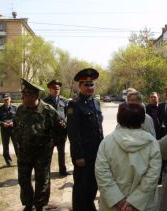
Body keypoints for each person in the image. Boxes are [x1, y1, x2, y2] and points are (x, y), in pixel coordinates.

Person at [95, 102, 161, 211]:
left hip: (113, 205)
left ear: (119, 119)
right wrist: (134, 202)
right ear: (142, 120)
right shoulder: (152, 142)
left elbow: (102, 174)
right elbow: (152, 176)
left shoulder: (107, 142)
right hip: (143, 205)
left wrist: (119, 201)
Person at [13, 78, 65, 211]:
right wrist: (18, 149)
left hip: (42, 154)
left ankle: (40, 205)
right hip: (24, 153)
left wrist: (51, 144)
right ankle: (28, 204)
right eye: (23, 95)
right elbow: (16, 129)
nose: (23, 97)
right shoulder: (20, 110)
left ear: (35, 95)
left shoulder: (48, 110)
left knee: (42, 182)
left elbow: (62, 129)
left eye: (26, 95)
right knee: (23, 180)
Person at [67, 68, 104, 211]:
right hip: (83, 154)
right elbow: (73, 133)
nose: (90, 87)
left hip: (97, 153)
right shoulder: (74, 105)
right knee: (81, 186)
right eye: (86, 85)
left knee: (93, 184)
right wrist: (78, 155)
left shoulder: (95, 103)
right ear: (80, 86)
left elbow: (99, 129)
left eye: (92, 84)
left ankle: (89, 207)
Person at [44, 79, 70, 176]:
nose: (56, 90)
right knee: (48, 154)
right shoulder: (45, 101)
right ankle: (46, 173)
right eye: (54, 88)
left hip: (61, 132)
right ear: (50, 89)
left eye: (58, 89)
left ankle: (62, 171)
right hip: (50, 133)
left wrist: (66, 123)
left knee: (61, 153)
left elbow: (68, 114)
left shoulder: (64, 101)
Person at [0, 93, 18, 166]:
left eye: (7, 99)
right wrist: (3, 124)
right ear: (3, 100)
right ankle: (8, 162)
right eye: (5, 100)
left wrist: (13, 123)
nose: (6, 101)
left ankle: (20, 160)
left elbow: (19, 118)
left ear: (10, 99)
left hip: (14, 130)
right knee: (5, 146)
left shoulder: (15, 108)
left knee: (17, 145)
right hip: (4, 130)